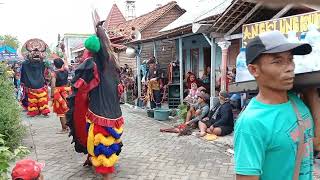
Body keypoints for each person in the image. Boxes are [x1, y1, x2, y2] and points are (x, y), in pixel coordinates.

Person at [234, 30, 320, 180]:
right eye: (278, 61)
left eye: (290, 59)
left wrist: (312, 95)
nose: (290, 67)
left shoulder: (297, 103)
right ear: (254, 70)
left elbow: (316, 144)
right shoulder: (251, 123)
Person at [66, 33, 124, 179]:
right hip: (113, 111)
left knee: (100, 141)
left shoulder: (93, 64)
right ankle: (93, 158)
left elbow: (79, 86)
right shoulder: (113, 64)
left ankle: (106, 175)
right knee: (101, 139)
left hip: (100, 111)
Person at [20, 39, 50, 117]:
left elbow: (22, 74)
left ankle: (34, 111)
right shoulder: (42, 63)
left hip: (30, 85)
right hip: (40, 84)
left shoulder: (25, 64)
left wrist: (23, 82)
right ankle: (44, 111)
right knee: (41, 98)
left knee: (32, 99)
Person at [51, 44, 71, 133]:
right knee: (67, 109)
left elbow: (53, 85)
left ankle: (64, 128)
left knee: (60, 111)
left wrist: (52, 95)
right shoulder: (66, 70)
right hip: (66, 91)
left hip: (58, 92)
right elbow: (66, 60)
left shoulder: (54, 73)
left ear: (55, 65)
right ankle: (69, 126)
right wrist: (63, 50)